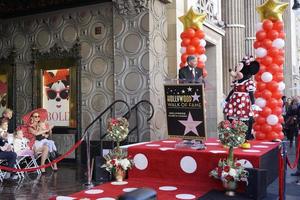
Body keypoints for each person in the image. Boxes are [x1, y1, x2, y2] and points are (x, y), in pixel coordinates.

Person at [22, 108, 58, 173]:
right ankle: (45, 165)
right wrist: (46, 130)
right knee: (48, 145)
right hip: (32, 145)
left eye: (38, 116)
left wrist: (49, 130)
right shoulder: (29, 126)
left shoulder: (39, 125)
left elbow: (46, 134)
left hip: (39, 143)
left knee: (48, 145)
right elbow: (36, 133)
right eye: (35, 116)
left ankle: (43, 165)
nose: (37, 118)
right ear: (31, 118)